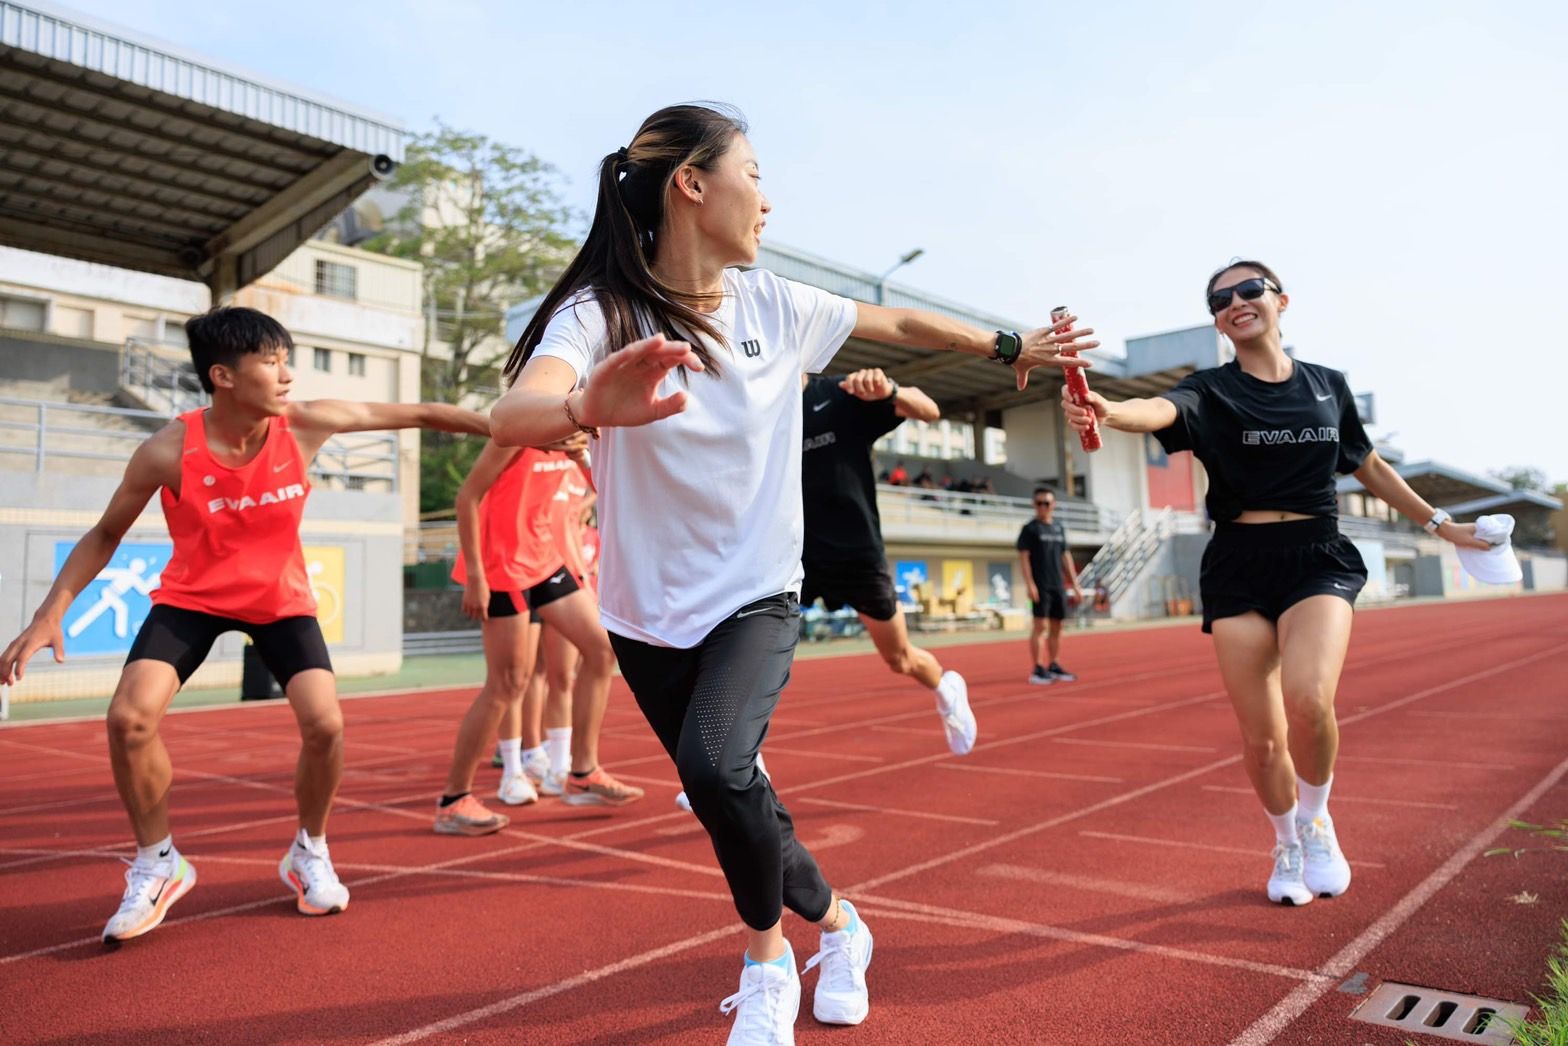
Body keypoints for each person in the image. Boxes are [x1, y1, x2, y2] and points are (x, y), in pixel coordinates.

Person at [489, 102, 1095, 1044]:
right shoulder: (601, 315)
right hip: (646, 615)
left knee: (713, 767)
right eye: (755, 174)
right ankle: (842, 926)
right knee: (743, 800)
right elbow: (511, 418)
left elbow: (898, 320)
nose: (767, 199)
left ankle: (767, 959)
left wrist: (1010, 346)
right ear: (693, 184)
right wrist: (585, 400)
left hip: (759, 591)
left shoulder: (778, 303)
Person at [0, 306, 490, 943]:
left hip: (280, 602)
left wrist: (521, 428)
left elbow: (425, 414)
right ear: (223, 376)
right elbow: (105, 533)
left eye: (287, 358)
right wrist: (47, 616)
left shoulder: (307, 424)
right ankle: (158, 862)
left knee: (326, 723)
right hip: (193, 599)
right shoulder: (167, 451)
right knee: (128, 718)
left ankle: (308, 849)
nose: (286, 374)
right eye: (270, 360)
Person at [1061, 259, 1491, 906]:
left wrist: (1441, 524)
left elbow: (1367, 464)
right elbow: (1159, 409)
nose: (1235, 301)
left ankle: (1318, 820)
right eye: (1220, 299)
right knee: (1263, 741)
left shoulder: (1328, 385)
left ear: (1280, 301)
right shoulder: (1208, 389)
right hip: (1238, 559)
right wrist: (1109, 409)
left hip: (1317, 553)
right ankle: (1286, 839)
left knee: (1309, 701)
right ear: (1217, 319)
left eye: (1248, 290)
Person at [437, 435, 641, 836]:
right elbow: (467, 498)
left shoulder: (574, 434)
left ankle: (582, 771)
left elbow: (601, 490)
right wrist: (475, 576)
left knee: (601, 651)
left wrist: (579, 453)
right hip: (502, 567)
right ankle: (454, 799)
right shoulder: (518, 433)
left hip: (545, 560)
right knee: (508, 683)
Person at [801, 367, 976, 755]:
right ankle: (733, 769)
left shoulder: (841, 393)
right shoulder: (758, 405)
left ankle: (946, 689)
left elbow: (928, 411)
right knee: (759, 662)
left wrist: (890, 389)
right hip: (793, 557)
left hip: (856, 553)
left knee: (900, 658)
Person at [1016, 488, 1084, 684]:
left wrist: (1075, 584)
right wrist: (1030, 584)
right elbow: (1024, 558)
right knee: (1040, 626)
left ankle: (1053, 664)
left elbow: (1066, 556)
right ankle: (1037, 669)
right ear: (1034, 505)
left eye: (1046, 503)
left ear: (1053, 505)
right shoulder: (1029, 529)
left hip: (1058, 585)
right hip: (1040, 585)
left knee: (1057, 627)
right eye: (1039, 503)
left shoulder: (1059, 528)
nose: (1043, 507)